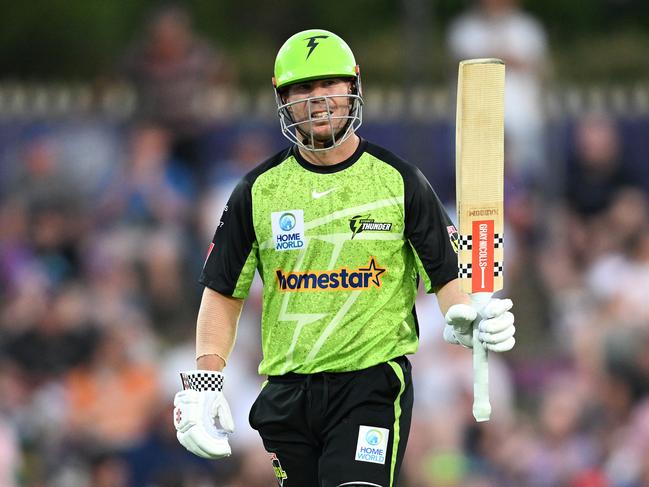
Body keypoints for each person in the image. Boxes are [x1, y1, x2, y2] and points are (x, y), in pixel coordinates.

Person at [173, 29, 517, 486]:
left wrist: (467, 314)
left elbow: (447, 273)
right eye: (303, 88)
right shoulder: (257, 191)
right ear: (283, 100)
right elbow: (222, 293)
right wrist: (205, 385)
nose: (318, 99)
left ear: (353, 89)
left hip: (370, 386)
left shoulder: (400, 181)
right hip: (287, 393)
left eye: (329, 84)